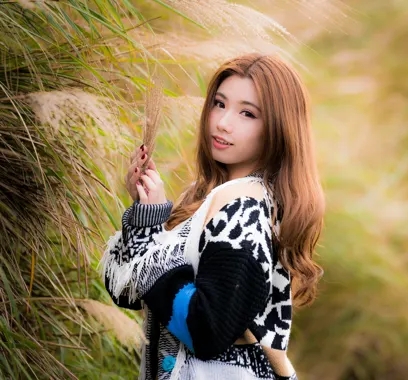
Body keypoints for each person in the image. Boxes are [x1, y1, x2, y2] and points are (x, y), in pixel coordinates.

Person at [99, 53, 325, 380]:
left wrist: (151, 234)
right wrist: (146, 214)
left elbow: (205, 330)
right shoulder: (208, 197)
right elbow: (130, 290)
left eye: (247, 113)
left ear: (278, 128)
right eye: (219, 104)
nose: (223, 122)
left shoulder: (244, 207)